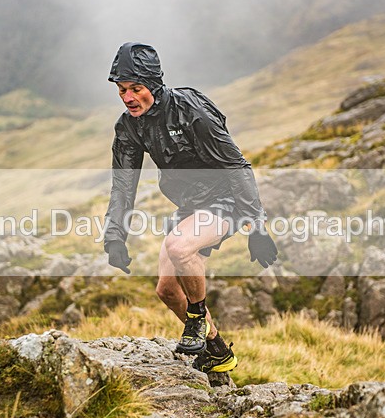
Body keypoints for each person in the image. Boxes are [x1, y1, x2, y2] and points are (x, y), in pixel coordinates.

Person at [102, 42, 277, 374]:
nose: (128, 97)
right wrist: (114, 236)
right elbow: (123, 184)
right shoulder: (129, 127)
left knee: (180, 246)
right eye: (122, 90)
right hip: (191, 205)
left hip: (229, 198)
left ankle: (196, 319)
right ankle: (218, 351)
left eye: (135, 88)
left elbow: (238, 166)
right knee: (167, 289)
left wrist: (257, 228)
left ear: (152, 84)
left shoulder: (191, 111)